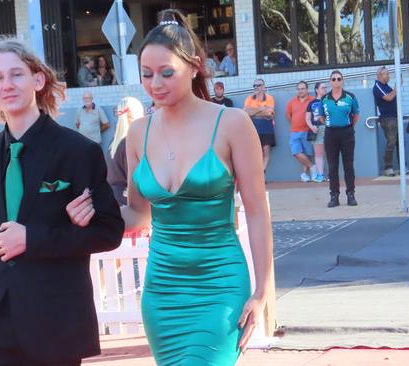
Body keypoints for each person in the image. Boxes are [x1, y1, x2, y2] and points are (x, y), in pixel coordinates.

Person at [68, 9, 272, 365]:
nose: (155, 84)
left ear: (194, 67)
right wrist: (90, 213)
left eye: (166, 73)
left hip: (220, 286)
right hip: (162, 291)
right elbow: (138, 214)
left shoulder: (232, 124)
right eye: (147, 74)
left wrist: (262, 292)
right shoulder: (137, 133)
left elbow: (257, 212)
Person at [0, 36, 124, 366]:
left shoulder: (79, 152)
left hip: (55, 322)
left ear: (38, 79)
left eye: (16, 74)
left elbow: (109, 232)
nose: (8, 84)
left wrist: (32, 239)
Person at [322, 70, 360, 207]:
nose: (336, 81)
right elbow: (321, 116)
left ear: (342, 81)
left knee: (348, 165)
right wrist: (332, 125)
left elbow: (356, 115)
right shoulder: (325, 98)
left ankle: (351, 194)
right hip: (331, 134)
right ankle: (334, 196)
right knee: (332, 167)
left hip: (347, 133)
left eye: (339, 79)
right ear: (330, 81)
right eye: (333, 79)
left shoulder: (350, 97)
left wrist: (347, 126)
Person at [373, 66, 409, 177]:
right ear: (380, 76)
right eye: (386, 74)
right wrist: (396, 88)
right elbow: (389, 98)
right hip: (388, 119)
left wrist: (397, 87)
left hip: (395, 118)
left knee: (400, 143)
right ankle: (388, 167)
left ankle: (403, 167)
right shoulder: (378, 86)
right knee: (391, 142)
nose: (389, 76)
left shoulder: (386, 86)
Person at [107, 97, 144, 205]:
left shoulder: (113, 142)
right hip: (129, 203)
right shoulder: (132, 142)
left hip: (114, 199)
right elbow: (136, 181)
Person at [285, 81, 316, 182]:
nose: (300, 91)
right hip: (295, 131)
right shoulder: (292, 102)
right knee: (296, 152)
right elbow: (288, 116)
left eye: (302, 89)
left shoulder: (313, 100)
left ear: (307, 89)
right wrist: (295, 123)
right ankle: (313, 167)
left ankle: (305, 174)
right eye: (298, 89)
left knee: (308, 154)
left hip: (308, 131)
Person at [244, 78, 275, 172]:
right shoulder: (249, 98)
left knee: (266, 152)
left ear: (263, 87)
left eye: (258, 85)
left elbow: (269, 114)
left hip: (266, 127)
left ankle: (262, 172)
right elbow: (246, 113)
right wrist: (261, 109)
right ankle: (258, 174)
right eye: (254, 86)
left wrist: (254, 112)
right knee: (256, 153)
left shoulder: (269, 98)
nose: (256, 87)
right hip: (253, 127)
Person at [305, 81, 328, 183]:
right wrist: (311, 126)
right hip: (317, 129)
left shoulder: (329, 101)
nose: (325, 89)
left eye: (325, 88)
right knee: (318, 154)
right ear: (317, 90)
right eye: (322, 88)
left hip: (329, 128)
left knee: (331, 153)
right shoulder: (312, 103)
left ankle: (331, 175)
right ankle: (320, 175)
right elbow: (307, 118)